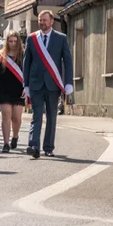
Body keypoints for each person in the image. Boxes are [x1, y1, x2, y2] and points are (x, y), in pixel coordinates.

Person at [22, 9, 73, 158]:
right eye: (40, 20)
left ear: (51, 21)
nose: (42, 22)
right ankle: (34, 146)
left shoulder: (61, 38)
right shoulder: (32, 39)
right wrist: (26, 84)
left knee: (51, 116)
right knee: (36, 115)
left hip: (53, 84)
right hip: (36, 84)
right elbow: (27, 63)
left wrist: (68, 82)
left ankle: (48, 147)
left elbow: (67, 62)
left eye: (45, 20)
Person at [0, 31, 26, 153]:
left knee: (16, 118)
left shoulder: (24, 55)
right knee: (6, 116)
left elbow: (29, 74)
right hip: (3, 90)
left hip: (19, 90)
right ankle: (6, 143)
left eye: (15, 41)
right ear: (6, 42)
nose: (13, 44)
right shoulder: (0, 56)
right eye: (10, 41)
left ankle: (15, 136)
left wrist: (27, 89)